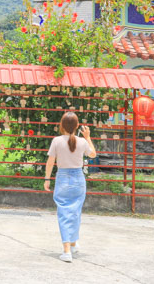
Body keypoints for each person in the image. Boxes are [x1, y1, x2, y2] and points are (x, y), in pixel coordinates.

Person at [43, 111, 97, 262]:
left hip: (63, 178)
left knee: (64, 213)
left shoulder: (57, 140)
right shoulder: (82, 142)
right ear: (77, 126)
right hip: (78, 179)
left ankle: (67, 250)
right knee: (75, 212)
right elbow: (93, 154)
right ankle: (73, 243)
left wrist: (47, 179)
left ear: (61, 125)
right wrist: (88, 137)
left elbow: (50, 162)